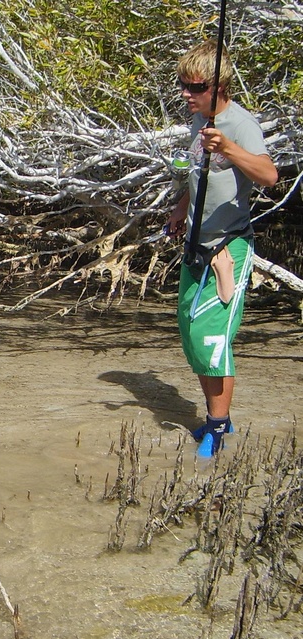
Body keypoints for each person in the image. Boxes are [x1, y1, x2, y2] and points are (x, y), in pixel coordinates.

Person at [166, 40, 277, 457]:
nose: (186, 94)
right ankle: (220, 416)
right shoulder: (198, 121)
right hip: (196, 245)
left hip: (228, 249)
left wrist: (227, 147)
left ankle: (216, 426)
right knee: (191, 336)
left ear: (218, 86)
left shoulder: (239, 124)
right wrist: (180, 210)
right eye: (182, 85)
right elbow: (200, 178)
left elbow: (269, 174)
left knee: (210, 338)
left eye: (194, 87)